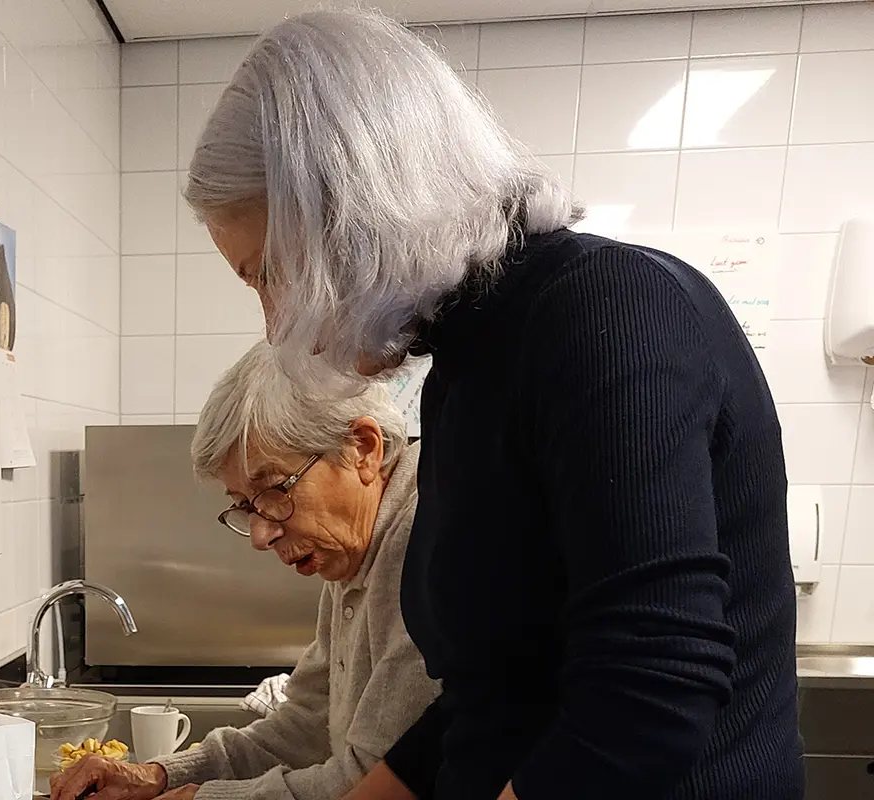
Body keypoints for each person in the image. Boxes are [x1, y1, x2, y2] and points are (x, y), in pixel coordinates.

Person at [177, 8, 801, 800]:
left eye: (270, 272)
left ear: (360, 211)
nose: (277, 324)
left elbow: (643, 700)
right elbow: (494, 698)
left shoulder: (605, 312)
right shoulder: (468, 369)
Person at [50, 342, 439, 800]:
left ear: (363, 449)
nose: (260, 535)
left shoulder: (426, 540)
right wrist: (158, 774)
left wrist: (203, 798)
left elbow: (375, 784)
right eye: (244, 505)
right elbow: (305, 726)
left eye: (275, 489)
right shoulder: (351, 551)